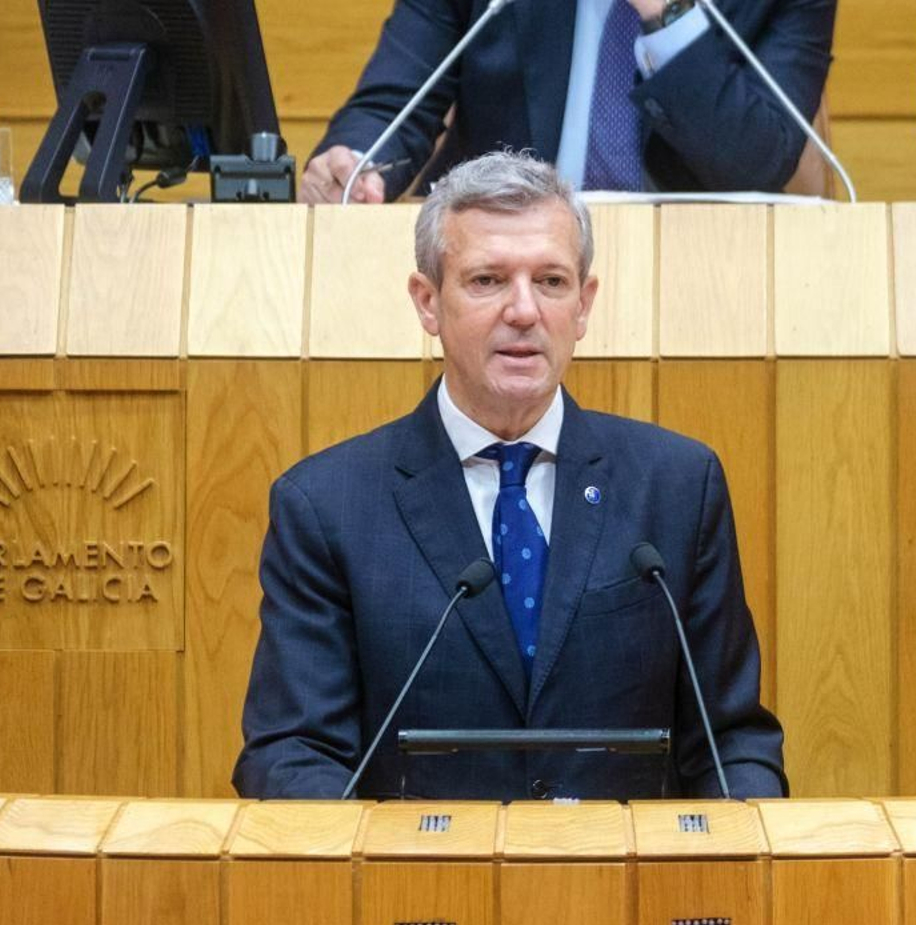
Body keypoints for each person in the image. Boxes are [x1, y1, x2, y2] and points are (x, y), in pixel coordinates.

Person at [237, 151, 785, 801]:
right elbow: (295, 753)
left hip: (627, 889)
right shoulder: (328, 505)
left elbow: (730, 742)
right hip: (416, 893)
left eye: (550, 281)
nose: (523, 310)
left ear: (583, 305)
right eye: (488, 280)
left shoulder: (675, 485)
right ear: (427, 302)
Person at [298, 0, 836, 203]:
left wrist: (667, 14)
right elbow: (394, 103)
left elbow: (760, 159)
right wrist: (357, 166)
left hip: (697, 273)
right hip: (501, 257)